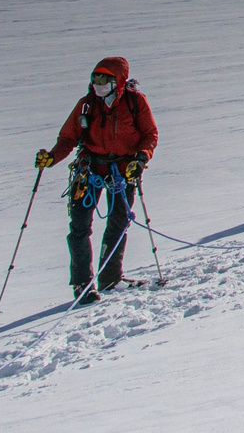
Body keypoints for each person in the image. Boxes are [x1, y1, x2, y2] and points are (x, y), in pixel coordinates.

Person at [34, 56, 157, 305]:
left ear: (118, 80)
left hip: (123, 171)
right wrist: (52, 157)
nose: (99, 83)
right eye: (95, 78)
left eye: (105, 78)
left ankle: (110, 278)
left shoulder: (135, 102)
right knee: (79, 227)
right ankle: (83, 284)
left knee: (118, 222)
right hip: (89, 170)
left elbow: (149, 134)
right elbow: (68, 138)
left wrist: (141, 159)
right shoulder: (86, 105)